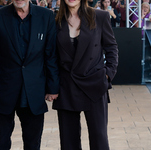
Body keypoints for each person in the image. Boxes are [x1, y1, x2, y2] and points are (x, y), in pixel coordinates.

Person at [0, 0, 59, 149]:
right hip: (4, 91)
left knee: (33, 144)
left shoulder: (46, 16)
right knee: (1, 143)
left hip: (34, 91)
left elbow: (51, 55)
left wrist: (53, 87)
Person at [52, 0, 118, 149]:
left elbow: (111, 47)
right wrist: (52, 85)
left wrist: (108, 74)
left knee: (99, 139)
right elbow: (52, 56)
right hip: (67, 86)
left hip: (94, 84)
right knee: (68, 141)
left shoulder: (100, 16)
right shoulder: (55, 20)